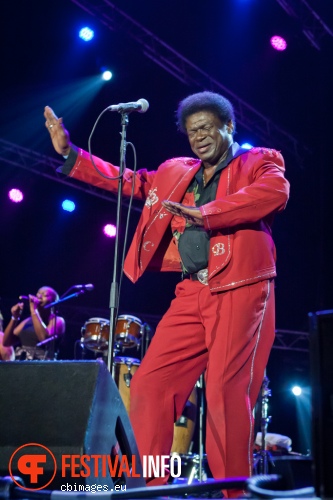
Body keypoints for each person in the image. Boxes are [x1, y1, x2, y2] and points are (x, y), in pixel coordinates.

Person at [44, 91, 290, 498]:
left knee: (227, 393)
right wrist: (72, 154)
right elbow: (130, 181)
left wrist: (209, 213)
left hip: (240, 287)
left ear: (229, 127)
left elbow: (274, 193)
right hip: (191, 293)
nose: (199, 137)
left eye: (207, 127)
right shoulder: (178, 171)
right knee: (149, 386)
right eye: (192, 132)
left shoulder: (259, 161)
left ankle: (236, 494)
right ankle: (148, 489)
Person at [2, 286, 66, 360]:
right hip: (21, 366)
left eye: (45, 295)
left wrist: (33, 310)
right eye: (38, 294)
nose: (39, 296)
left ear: (54, 302)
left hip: (42, 367)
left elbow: (44, 339)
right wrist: (15, 317)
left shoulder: (57, 321)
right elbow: (6, 342)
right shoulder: (29, 320)